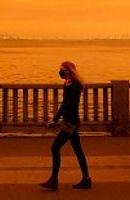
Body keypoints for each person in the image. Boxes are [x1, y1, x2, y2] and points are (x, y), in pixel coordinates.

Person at [39, 61, 91, 191]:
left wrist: (57, 121)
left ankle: (54, 180)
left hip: (71, 122)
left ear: (68, 71)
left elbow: (69, 103)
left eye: (61, 69)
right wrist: (55, 119)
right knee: (78, 151)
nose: (60, 72)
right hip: (68, 121)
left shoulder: (76, 85)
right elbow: (64, 104)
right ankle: (86, 179)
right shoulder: (67, 83)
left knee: (55, 148)